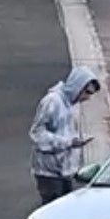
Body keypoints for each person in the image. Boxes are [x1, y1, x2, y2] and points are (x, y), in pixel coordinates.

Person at [29, 67, 101, 205]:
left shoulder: (71, 104)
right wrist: (67, 143)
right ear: (77, 86)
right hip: (48, 170)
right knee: (53, 206)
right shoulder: (52, 102)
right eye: (86, 92)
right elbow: (37, 133)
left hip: (64, 170)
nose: (87, 98)